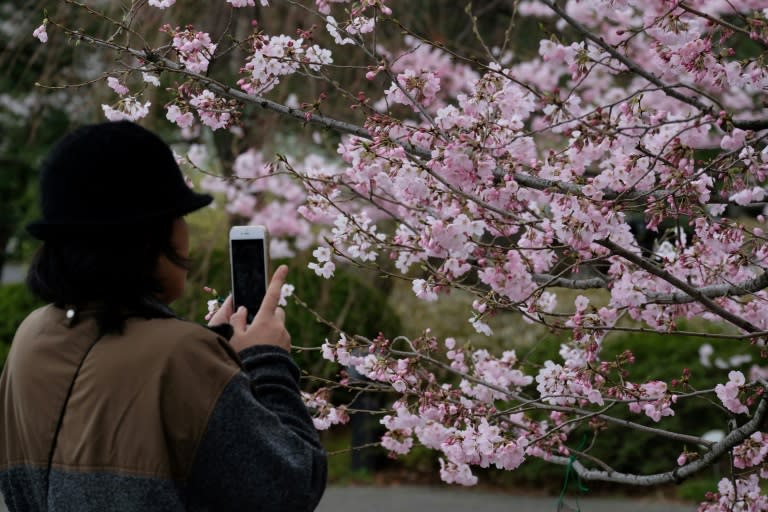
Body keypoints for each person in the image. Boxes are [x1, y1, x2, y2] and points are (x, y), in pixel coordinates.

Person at [0, 121, 327, 511]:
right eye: (180, 218)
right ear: (153, 235)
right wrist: (267, 361)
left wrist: (213, 360)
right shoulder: (181, 356)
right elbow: (291, 487)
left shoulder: (31, 335)